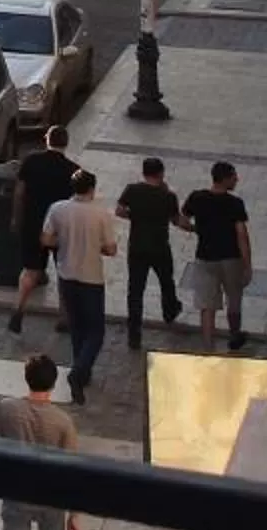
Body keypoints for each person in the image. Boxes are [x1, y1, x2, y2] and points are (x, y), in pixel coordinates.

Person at [0, 354, 80, 530]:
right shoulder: (63, 422)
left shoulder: (7, 409)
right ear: (53, 384)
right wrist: (74, 514)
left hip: (17, 494)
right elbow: (73, 470)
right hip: (51, 499)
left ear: (26, 378)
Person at [39, 170, 118, 403]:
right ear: (92, 189)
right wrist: (96, 247)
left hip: (66, 274)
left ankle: (81, 370)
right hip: (91, 278)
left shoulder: (58, 209)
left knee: (76, 326)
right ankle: (80, 371)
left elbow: (46, 239)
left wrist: (64, 241)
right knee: (96, 331)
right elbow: (111, 249)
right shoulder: (101, 214)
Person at [9, 126, 77, 332]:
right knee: (63, 271)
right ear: (66, 143)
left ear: (47, 139)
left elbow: (20, 192)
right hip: (59, 228)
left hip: (33, 223)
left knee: (30, 270)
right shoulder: (73, 170)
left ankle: (18, 310)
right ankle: (64, 317)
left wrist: (16, 218)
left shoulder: (31, 161)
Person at [180, 160, 254, 351]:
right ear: (225, 179)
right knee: (234, 300)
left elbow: (182, 220)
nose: (237, 179)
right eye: (234, 177)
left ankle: (208, 346)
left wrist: (196, 229)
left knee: (207, 305)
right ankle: (234, 336)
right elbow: (242, 236)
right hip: (231, 258)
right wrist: (247, 265)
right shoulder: (235, 203)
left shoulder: (197, 197)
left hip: (205, 257)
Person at [117, 157, 184, 347]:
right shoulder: (168, 196)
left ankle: (134, 333)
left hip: (137, 246)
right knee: (166, 281)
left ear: (144, 172)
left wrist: (135, 216)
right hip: (160, 246)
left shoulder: (132, 190)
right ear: (161, 173)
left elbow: (119, 211)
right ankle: (170, 312)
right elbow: (176, 220)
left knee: (135, 290)